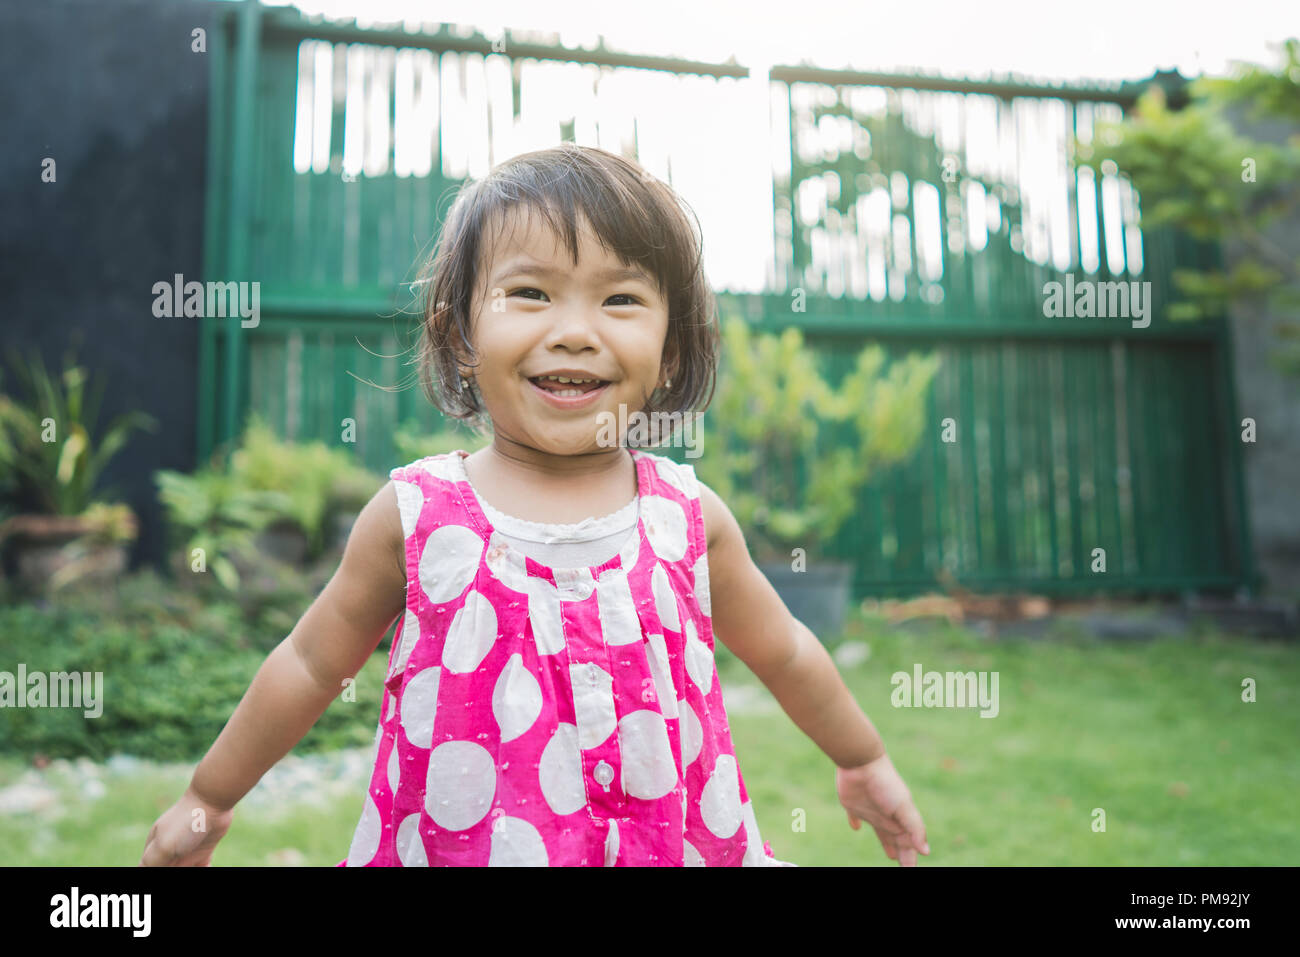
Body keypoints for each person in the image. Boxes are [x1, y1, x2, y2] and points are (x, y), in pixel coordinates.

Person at [140, 143, 929, 867]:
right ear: (460, 339)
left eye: (620, 299)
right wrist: (208, 798)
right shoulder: (417, 516)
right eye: (530, 293)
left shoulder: (686, 518)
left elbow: (785, 649)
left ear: (671, 348)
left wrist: (862, 758)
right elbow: (309, 664)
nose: (576, 331)